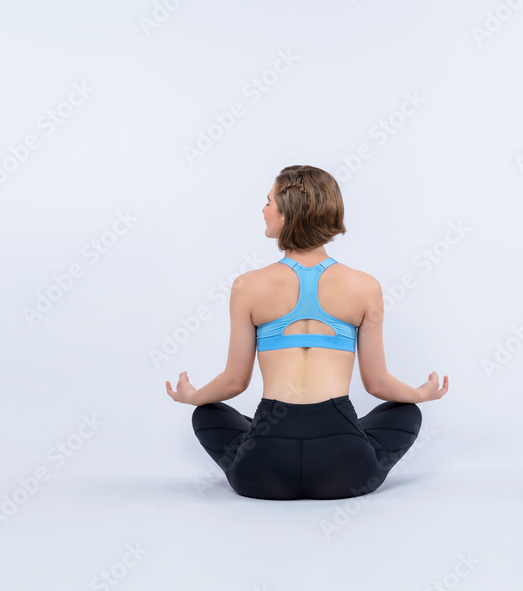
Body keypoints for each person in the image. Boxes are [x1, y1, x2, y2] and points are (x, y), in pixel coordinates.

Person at [165, 164, 449, 500]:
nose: (263, 210)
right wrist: (421, 394)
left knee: (207, 413)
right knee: (406, 411)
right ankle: (339, 448)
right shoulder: (365, 286)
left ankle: (264, 445)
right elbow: (377, 384)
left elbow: (233, 383)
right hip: (346, 471)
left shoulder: (247, 286)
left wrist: (193, 396)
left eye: (269, 202)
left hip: (261, 473)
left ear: (288, 213)